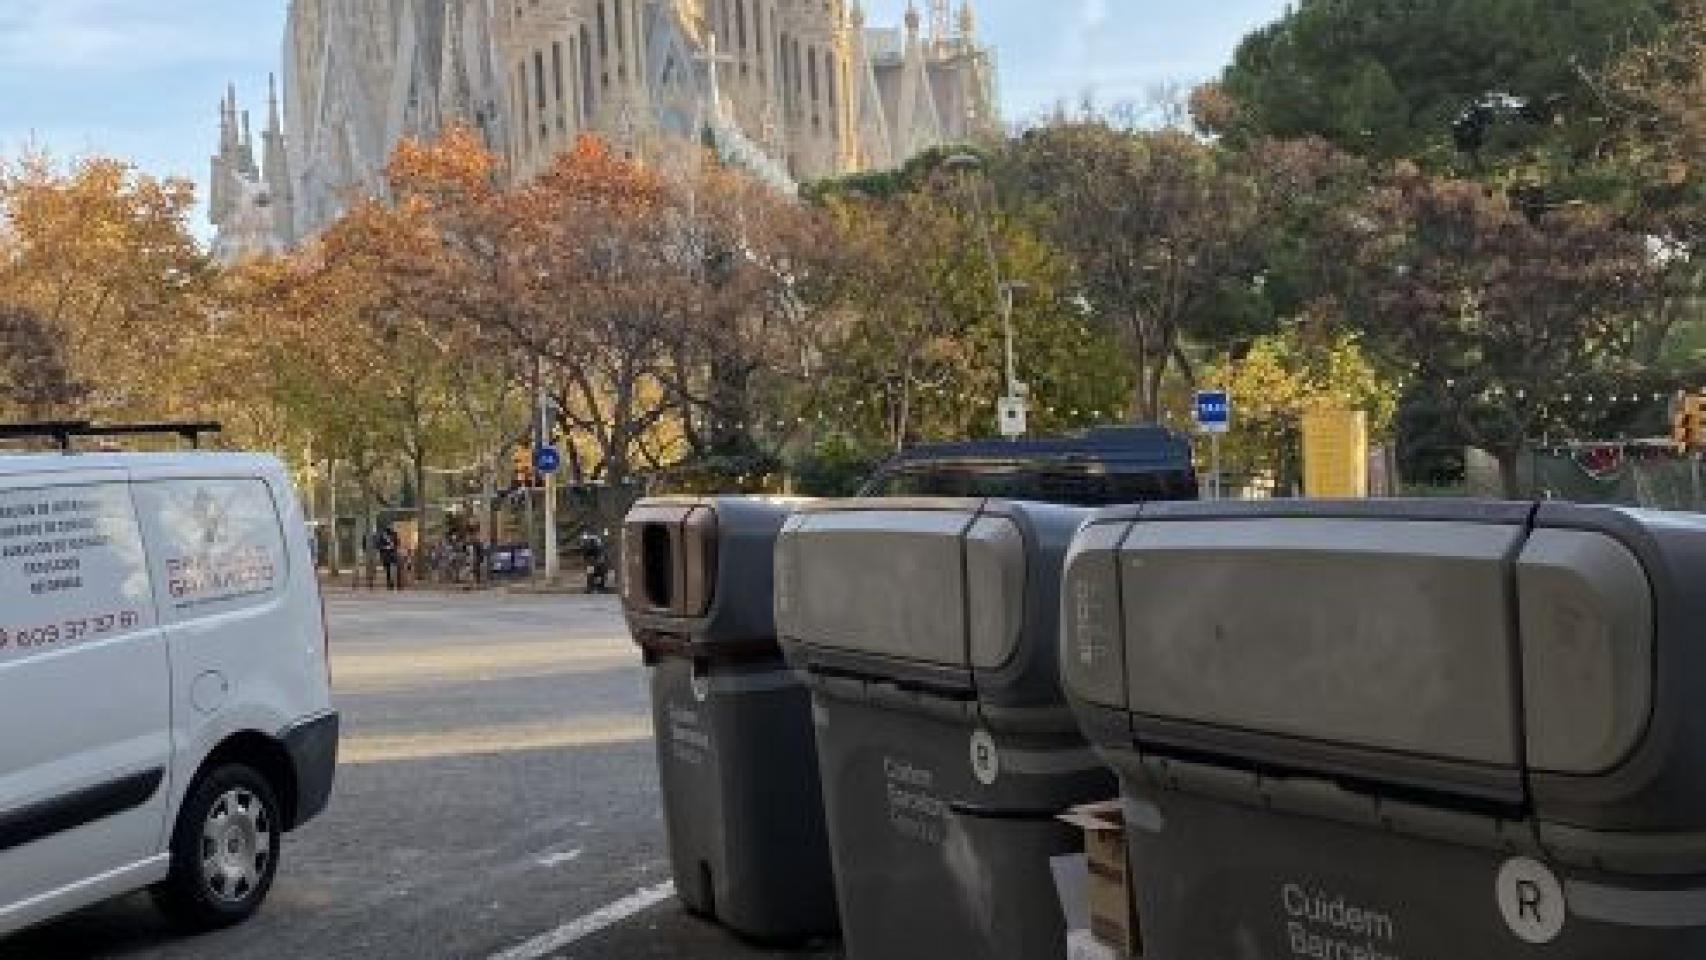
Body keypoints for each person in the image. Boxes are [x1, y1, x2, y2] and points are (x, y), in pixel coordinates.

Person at [375, 525, 402, 590]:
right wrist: (385, 547)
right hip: (386, 555)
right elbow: (379, 546)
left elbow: (397, 543)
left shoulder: (394, 535)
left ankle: (395, 583)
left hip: (393, 554)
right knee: (388, 570)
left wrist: (394, 547)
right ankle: (390, 583)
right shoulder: (382, 537)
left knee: (394, 568)